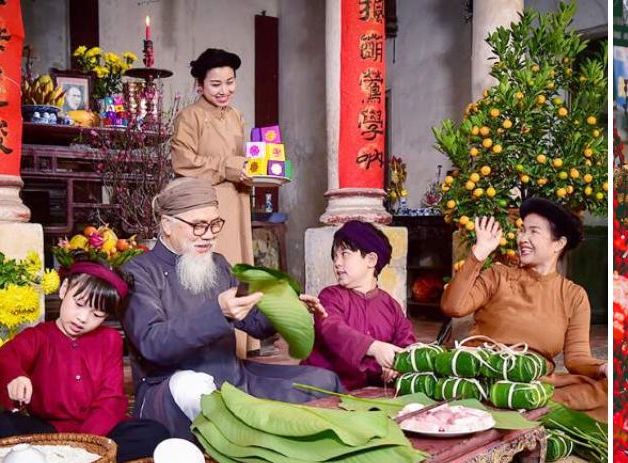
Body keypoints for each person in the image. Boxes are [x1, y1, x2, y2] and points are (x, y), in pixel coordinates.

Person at [123, 178, 342, 440]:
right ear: (167, 224)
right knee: (197, 393)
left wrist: (285, 308)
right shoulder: (138, 271)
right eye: (198, 225)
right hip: (172, 390)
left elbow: (255, 324)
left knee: (323, 383)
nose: (209, 234)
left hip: (232, 378)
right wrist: (218, 311)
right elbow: (153, 343)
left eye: (214, 224)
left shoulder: (218, 264)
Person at [440, 198, 605, 418]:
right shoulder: (499, 275)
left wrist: (603, 368)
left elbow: (577, 359)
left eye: (533, 232)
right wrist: (478, 253)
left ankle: (526, 407)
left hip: (532, 385)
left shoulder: (573, 295)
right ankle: (526, 411)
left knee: (609, 391)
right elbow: (453, 306)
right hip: (486, 377)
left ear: (558, 244)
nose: (522, 239)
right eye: (522, 231)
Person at [0, 261, 169, 462]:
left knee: (154, 434)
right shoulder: (39, 336)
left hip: (99, 432)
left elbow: (111, 399)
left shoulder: (110, 340)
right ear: (64, 289)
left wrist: (85, 443)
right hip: (50, 433)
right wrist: (16, 376)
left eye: (97, 314)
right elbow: (6, 356)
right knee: (3, 425)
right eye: (79, 304)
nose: (83, 318)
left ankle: (64, 462)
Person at [303, 221, 415, 390]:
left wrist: (397, 366)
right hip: (322, 387)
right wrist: (374, 347)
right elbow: (332, 329)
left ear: (371, 260)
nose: (337, 263)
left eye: (344, 254)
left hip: (368, 393)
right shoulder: (330, 296)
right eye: (335, 256)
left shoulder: (391, 307)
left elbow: (406, 345)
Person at [169, 49, 252, 275]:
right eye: (216, 84)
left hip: (238, 202)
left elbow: (241, 157)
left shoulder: (236, 116)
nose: (224, 90)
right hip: (207, 206)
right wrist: (228, 167)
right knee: (210, 271)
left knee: (237, 269)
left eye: (230, 82)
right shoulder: (189, 116)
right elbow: (183, 162)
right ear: (200, 85)